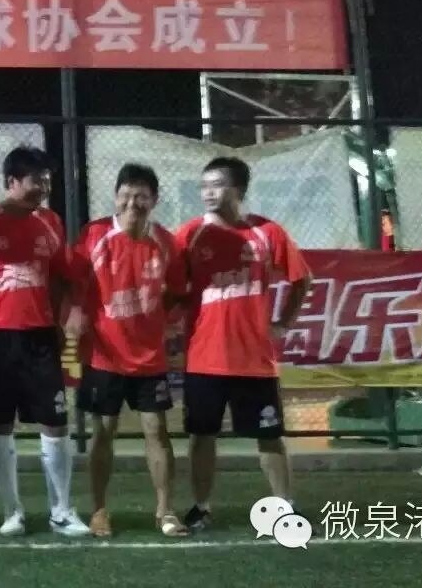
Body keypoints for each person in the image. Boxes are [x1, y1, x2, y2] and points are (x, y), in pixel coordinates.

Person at [176, 157, 311, 531]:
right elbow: (170, 287)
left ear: (238, 189)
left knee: (269, 436)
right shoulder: (190, 235)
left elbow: (302, 279)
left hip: (255, 360)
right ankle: (201, 508)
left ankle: (285, 507)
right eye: (204, 185)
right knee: (202, 435)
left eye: (217, 184)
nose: (208, 192)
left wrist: (284, 322)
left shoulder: (267, 232)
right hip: (204, 358)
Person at [0, 146, 89, 538]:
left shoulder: (50, 222)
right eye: (36, 180)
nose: (43, 188)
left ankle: (61, 511)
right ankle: (12, 511)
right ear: (11, 181)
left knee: (55, 422)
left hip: (39, 338)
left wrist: (66, 316)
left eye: (47, 181)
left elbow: (63, 274)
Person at [70, 163, 188, 538]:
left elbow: (177, 292)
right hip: (104, 356)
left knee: (157, 430)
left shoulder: (166, 242)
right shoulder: (94, 235)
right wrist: (76, 314)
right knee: (104, 431)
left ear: (154, 200)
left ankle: (165, 511)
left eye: (141, 196)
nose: (133, 202)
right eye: (126, 194)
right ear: (116, 196)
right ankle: (99, 511)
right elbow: (74, 282)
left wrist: (159, 323)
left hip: (149, 358)